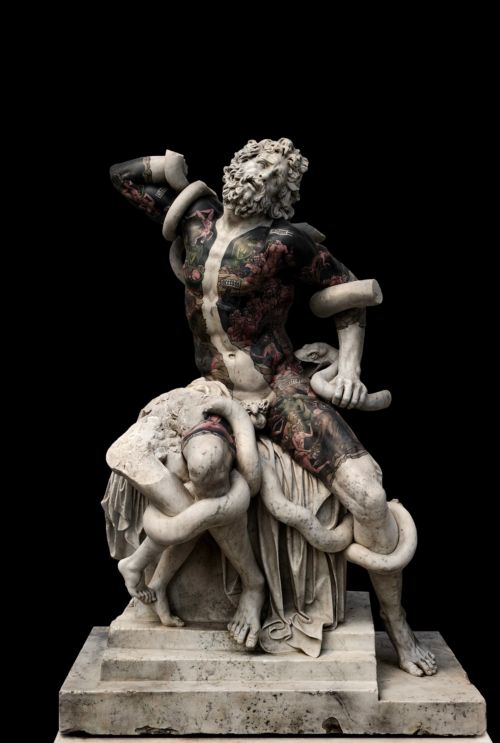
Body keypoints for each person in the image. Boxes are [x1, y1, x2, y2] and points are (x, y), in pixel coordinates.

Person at [109, 138, 437, 676]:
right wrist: (163, 166)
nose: (261, 174)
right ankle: (252, 587)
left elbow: (349, 295)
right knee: (207, 466)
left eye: (277, 174)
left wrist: (349, 368)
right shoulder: (194, 218)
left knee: (369, 494)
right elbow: (121, 176)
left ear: (284, 194)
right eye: (257, 161)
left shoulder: (286, 242)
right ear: (235, 165)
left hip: (280, 387)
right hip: (213, 393)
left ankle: (398, 625)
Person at [104, 381, 266, 648]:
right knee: (204, 473)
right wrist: (233, 411)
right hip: (197, 406)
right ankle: (253, 581)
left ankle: (140, 568)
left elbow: (251, 479)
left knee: (200, 484)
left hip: (222, 411)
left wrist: (237, 412)